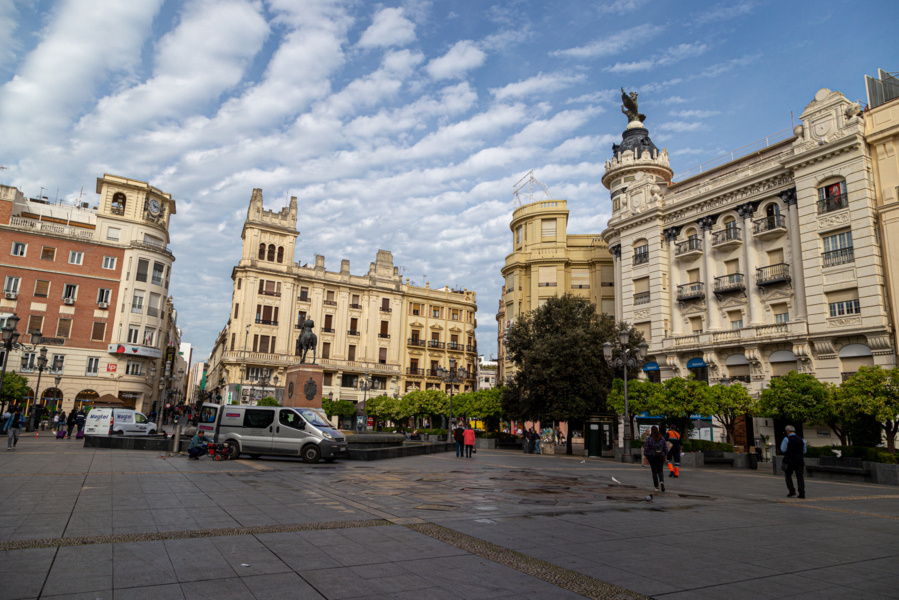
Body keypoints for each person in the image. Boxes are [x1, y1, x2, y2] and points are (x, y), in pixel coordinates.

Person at [780, 425, 807, 498]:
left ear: (787, 431)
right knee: (800, 476)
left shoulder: (786, 439)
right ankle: (802, 493)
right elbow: (804, 451)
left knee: (788, 476)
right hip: (799, 460)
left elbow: (783, 449)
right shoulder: (801, 439)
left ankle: (792, 491)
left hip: (789, 460)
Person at [643, 426, 667, 492]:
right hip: (661, 456)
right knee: (660, 470)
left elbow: (646, 449)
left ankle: (656, 487)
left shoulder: (649, 439)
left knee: (654, 471)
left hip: (652, 456)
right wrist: (665, 456)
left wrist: (646, 457)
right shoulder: (662, 438)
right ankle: (661, 481)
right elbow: (665, 448)